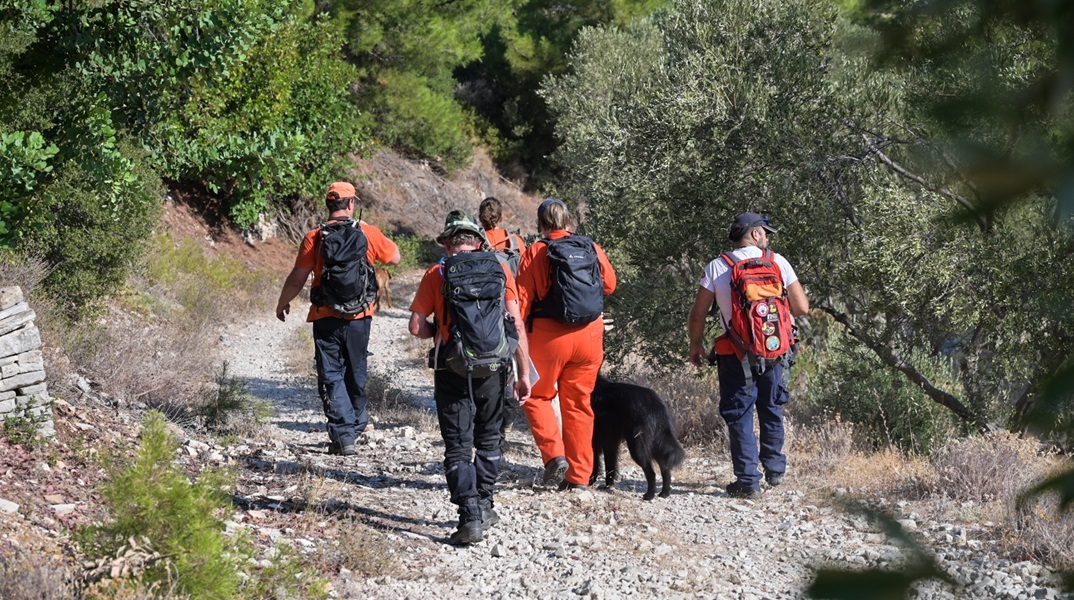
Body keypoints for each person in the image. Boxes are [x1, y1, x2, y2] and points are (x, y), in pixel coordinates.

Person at [408, 210, 532, 545]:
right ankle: (487, 502)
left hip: (453, 368)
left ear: (448, 243)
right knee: (490, 440)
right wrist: (523, 373)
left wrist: (441, 334)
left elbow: (416, 326)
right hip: (495, 367)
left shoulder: (438, 272)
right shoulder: (501, 268)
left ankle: (470, 516)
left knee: (458, 446)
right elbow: (516, 325)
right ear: (478, 242)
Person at [687, 212, 809, 498]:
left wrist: (696, 344)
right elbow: (801, 307)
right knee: (770, 406)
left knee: (739, 413)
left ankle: (747, 481)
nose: (767, 237)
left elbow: (699, 314)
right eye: (765, 232)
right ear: (755, 234)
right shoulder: (778, 261)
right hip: (775, 350)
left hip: (734, 353)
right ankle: (775, 470)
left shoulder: (718, 267)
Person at [276, 182, 401, 456]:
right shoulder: (367, 232)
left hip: (325, 315)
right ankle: (355, 424)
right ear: (352, 203)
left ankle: (343, 435)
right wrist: (370, 230)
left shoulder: (315, 236)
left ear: (328, 204)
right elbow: (395, 257)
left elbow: (298, 277)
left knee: (331, 374)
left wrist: (283, 302)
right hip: (359, 316)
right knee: (356, 370)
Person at [515, 198, 617, 491]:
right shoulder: (590, 247)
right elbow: (610, 285)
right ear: (569, 221)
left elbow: (521, 303)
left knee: (536, 395)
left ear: (541, 225)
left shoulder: (536, 251)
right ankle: (580, 477)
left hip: (549, 337)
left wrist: (515, 339)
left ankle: (554, 456)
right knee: (579, 404)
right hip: (589, 336)